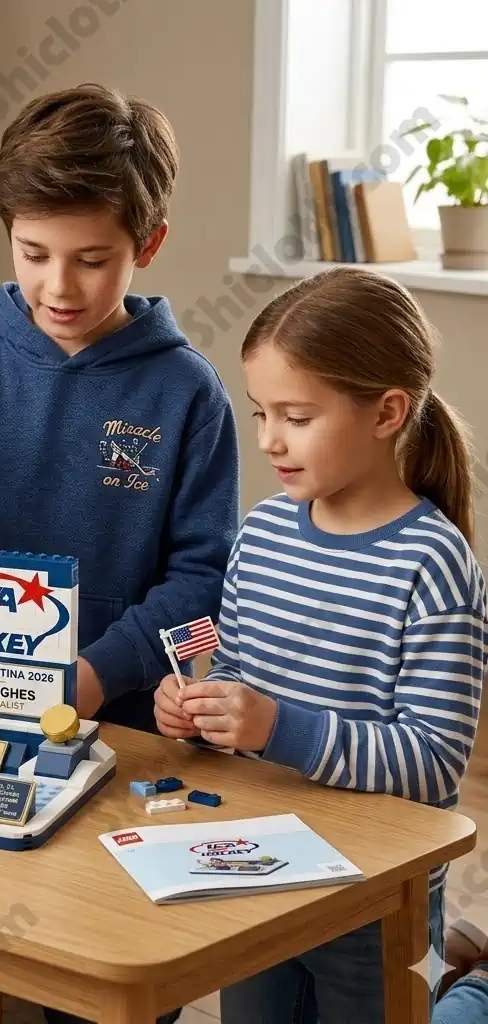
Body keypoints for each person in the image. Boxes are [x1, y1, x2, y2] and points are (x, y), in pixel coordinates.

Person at [0, 83, 239, 1024]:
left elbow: (201, 587)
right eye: (34, 254)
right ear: (9, 234)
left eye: (91, 260)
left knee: (114, 985)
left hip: (123, 726)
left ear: (147, 246)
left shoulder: (189, 394)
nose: (58, 286)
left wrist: (99, 677)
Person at [153, 266, 488, 1023]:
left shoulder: (433, 566)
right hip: (257, 869)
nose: (268, 440)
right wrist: (199, 711)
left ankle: (473, 985)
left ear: (387, 412)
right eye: (259, 412)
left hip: (375, 891)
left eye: (296, 417)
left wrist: (275, 726)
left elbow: (433, 763)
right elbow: (236, 680)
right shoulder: (262, 535)